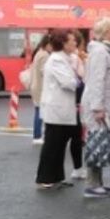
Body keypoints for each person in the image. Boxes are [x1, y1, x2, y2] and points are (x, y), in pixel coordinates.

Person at [35, 30, 81, 189]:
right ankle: (45, 178)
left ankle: (56, 177)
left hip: (63, 108)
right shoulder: (56, 60)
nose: (75, 43)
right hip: (56, 108)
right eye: (72, 41)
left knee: (60, 145)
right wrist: (78, 80)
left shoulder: (66, 59)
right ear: (63, 43)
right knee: (52, 145)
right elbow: (68, 83)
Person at [81, 18, 110, 198]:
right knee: (97, 144)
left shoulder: (105, 51)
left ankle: (98, 184)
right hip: (99, 107)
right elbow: (96, 81)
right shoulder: (100, 52)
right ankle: (92, 185)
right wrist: (97, 107)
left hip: (104, 104)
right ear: (106, 32)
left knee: (101, 143)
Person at [66, 30, 87, 180]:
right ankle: (77, 168)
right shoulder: (75, 59)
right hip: (74, 102)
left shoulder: (68, 58)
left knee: (67, 139)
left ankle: (75, 169)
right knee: (75, 137)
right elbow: (83, 77)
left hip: (69, 103)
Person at [28, 33, 52, 145]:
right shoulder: (45, 55)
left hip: (36, 86)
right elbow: (44, 72)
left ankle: (37, 135)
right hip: (41, 88)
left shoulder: (39, 53)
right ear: (47, 44)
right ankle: (37, 136)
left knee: (38, 111)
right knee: (40, 112)